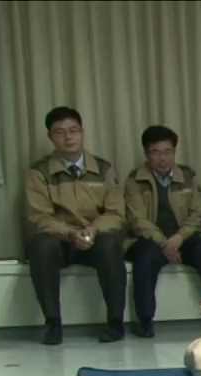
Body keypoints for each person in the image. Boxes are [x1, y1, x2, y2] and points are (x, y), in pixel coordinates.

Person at [24, 106, 128, 344]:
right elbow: (38, 216)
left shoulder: (103, 168)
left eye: (73, 130)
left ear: (82, 132)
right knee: (40, 247)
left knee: (111, 244)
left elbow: (115, 212)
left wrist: (93, 229)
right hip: (60, 241)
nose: (68, 137)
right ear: (51, 137)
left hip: (95, 238)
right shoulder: (38, 172)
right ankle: (53, 323)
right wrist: (70, 233)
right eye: (60, 132)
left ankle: (115, 322)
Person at [123, 125, 201, 337]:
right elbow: (137, 220)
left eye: (167, 152)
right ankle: (144, 321)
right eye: (156, 152)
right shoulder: (135, 180)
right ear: (146, 154)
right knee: (145, 258)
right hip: (149, 240)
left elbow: (199, 213)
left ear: (174, 152)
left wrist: (178, 238)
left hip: (183, 238)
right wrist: (164, 243)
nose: (162, 158)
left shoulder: (187, 176)